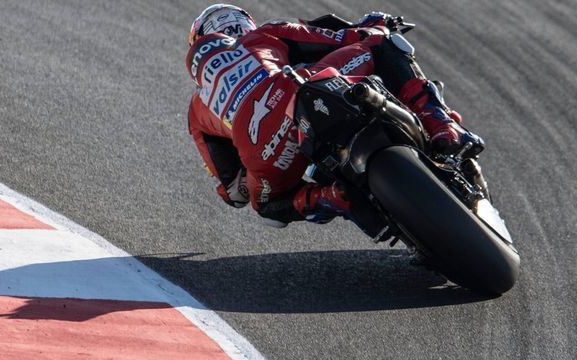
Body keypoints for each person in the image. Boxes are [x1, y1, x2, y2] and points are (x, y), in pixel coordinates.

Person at [186, 4, 484, 229]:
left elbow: (233, 193)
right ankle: (441, 124)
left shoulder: (198, 109)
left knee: (266, 206)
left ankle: (331, 197)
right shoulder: (264, 33)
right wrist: (375, 26)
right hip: (303, 88)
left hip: (267, 153)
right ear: (242, 24)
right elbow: (345, 38)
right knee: (382, 43)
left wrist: (256, 160)